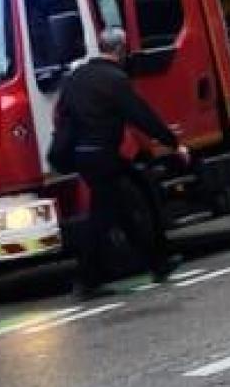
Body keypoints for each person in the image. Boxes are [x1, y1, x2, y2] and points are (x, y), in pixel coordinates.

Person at [53, 27, 183, 298]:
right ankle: (87, 281)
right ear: (121, 50)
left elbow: (62, 116)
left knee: (123, 208)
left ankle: (157, 264)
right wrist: (173, 143)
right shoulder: (115, 79)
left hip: (84, 156)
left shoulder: (77, 77)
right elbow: (141, 116)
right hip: (103, 155)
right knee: (103, 216)